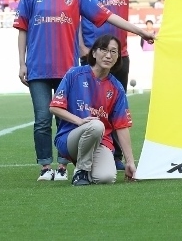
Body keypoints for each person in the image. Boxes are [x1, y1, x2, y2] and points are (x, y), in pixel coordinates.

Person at [13, 0, 154, 182]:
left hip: (67, 69)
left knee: (66, 119)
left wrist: (139, 31)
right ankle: (45, 167)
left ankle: (62, 167)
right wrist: (21, 62)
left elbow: (107, 15)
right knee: (42, 119)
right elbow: (22, 29)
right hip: (37, 68)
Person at [74, 0, 169, 169]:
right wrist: (82, 47)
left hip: (120, 54)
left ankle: (114, 156)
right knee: (90, 106)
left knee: (116, 105)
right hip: (93, 56)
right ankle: (89, 154)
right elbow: (74, 16)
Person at [49, 35, 136, 186]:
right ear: (94, 53)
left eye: (113, 51)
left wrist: (130, 162)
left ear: (117, 57)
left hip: (101, 141)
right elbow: (54, 107)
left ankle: (87, 171)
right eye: (104, 50)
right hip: (70, 138)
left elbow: (121, 126)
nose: (108, 55)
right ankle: (81, 170)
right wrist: (79, 121)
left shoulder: (117, 88)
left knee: (106, 178)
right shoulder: (74, 74)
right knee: (96, 125)